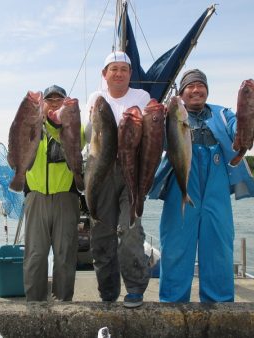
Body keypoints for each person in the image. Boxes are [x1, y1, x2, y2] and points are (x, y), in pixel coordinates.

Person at [149, 69, 254, 302]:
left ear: (207, 90)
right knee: (175, 249)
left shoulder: (223, 114)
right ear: (181, 93)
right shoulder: (172, 116)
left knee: (219, 250)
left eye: (201, 85)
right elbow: (152, 139)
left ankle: (219, 308)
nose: (196, 90)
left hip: (216, 193)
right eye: (190, 86)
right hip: (180, 187)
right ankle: (173, 307)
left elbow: (238, 131)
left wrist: (251, 115)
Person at [84, 51, 151, 308]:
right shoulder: (96, 98)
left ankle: (134, 288)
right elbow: (89, 135)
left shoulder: (141, 97)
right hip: (100, 168)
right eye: (114, 69)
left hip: (130, 169)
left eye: (124, 69)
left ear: (130, 73)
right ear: (105, 74)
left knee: (130, 230)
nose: (119, 73)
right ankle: (108, 292)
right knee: (101, 234)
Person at [23, 85, 85, 301]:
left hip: (66, 198)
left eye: (60, 99)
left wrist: (56, 123)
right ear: (42, 103)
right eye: (50, 99)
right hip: (35, 197)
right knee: (35, 255)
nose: (55, 103)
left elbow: (83, 140)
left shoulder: (74, 126)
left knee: (65, 254)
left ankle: (63, 302)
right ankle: (35, 304)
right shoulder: (31, 126)